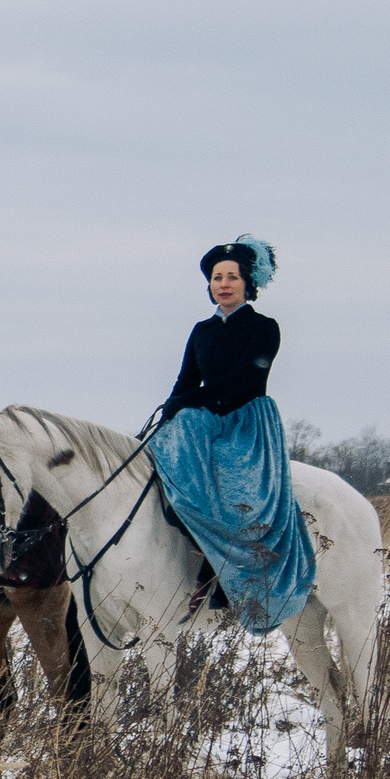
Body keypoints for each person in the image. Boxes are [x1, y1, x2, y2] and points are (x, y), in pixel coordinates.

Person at [147, 236, 316, 631]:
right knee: (163, 454)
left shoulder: (264, 328)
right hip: (204, 417)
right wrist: (169, 413)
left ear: (247, 283)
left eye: (232, 277)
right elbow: (185, 380)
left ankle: (230, 572)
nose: (224, 284)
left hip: (245, 422)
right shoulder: (201, 331)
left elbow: (245, 380)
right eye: (217, 277)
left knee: (234, 480)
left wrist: (193, 402)